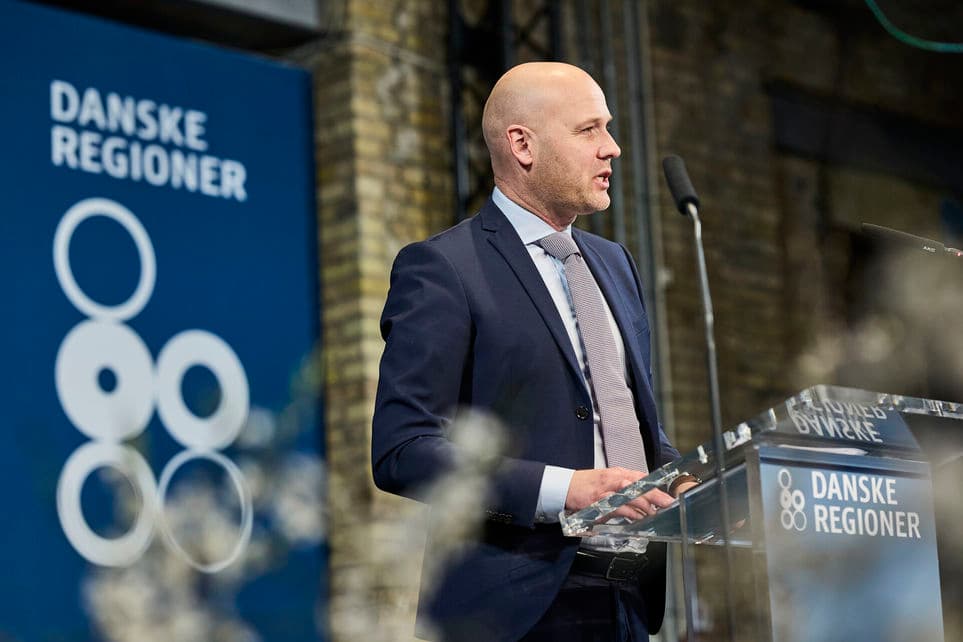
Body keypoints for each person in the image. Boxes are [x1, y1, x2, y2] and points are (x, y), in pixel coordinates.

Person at [372, 61, 696, 642]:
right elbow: (404, 450)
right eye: (589, 130)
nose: (613, 148)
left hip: (629, 599)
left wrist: (679, 480)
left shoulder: (615, 264)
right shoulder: (444, 269)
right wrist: (564, 490)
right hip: (513, 609)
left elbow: (621, 415)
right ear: (522, 145)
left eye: (608, 128)